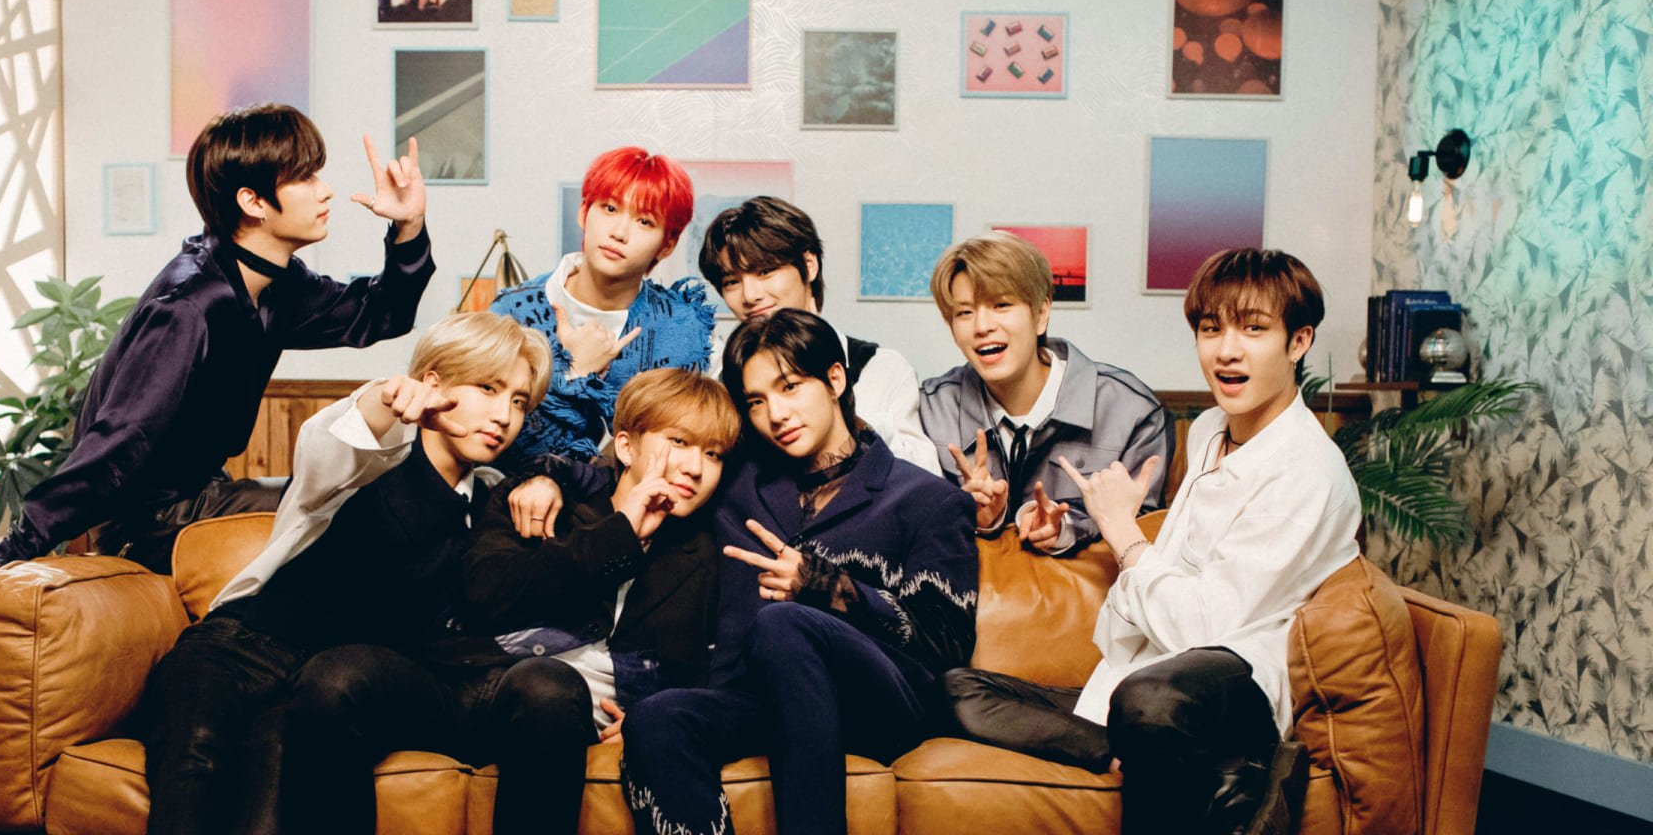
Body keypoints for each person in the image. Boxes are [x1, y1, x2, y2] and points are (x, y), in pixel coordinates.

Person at [83, 311, 550, 835]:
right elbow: (330, 443)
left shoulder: (487, 502)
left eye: (519, 400)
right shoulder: (371, 454)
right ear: (432, 384)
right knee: (195, 748)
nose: (504, 414)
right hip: (241, 644)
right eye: (488, 389)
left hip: (316, 684)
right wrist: (380, 399)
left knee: (280, 774)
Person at [942, 249, 1359, 835]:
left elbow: (1204, 626)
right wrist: (1112, 545)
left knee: (1149, 697)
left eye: (1253, 330)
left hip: (1228, 682)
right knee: (960, 687)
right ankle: (1223, 780)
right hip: (1156, 682)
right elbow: (1158, 597)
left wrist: (1125, 535)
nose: (1226, 351)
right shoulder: (1212, 432)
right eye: (1211, 329)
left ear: (1299, 341)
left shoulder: (1309, 470)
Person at [615, 309, 978, 835]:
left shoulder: (927, 499)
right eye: (755, 400)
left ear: (836, 379)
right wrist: (547, 480)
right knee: (659, 720)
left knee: (784, 623)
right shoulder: (739, 483)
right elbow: (629, 464)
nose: (775, 414)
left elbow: (945, 645)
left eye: (790, 387)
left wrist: (831, 588)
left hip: (883, 702)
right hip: (760, 695)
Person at [351, 368, 732, 835]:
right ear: (625, 445)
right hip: (487, 691)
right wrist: (620, 530)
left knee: (556, 695)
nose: (695, 467)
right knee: (346, 679)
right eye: (678, 442)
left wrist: (654, 719)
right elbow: (489, 597)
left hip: (577, 718)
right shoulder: (539, 502)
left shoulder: (709, 549)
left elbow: (709, 667)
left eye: (714, 454)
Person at [0, 104, 432, 581]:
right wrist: (10, 550)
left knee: (376, 494)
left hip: (204, 496)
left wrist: (408, 226)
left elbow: (381, 314)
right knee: (357, 508)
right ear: (253, 202)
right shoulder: (188, 306)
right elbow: (119, 440)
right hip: (150, 524)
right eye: (304, 177)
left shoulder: (276, 285)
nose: (325, 190)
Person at [919, 232, 1172, 548]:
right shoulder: (931, 410)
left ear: (1041, 314)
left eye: (1001, 305)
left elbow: (1145, 534)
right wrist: (973, 517)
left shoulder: (1131, 411)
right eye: (964, 313)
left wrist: (1068, 527)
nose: (982, 326)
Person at [490, 146, 714, 470]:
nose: (619, 233)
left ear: (667, 244)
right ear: (584, 212)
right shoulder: (514, 312)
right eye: (609, 208)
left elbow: (669, 455)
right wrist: (576, 372)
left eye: (644, 221)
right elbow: (500, 447)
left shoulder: (680, 329)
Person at [697, 195, 941, 473]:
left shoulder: (880, 368)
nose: (750, 295)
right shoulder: (719, 382)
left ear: (809, 264)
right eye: (732, 282)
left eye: (765, 271)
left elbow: (924, 478)